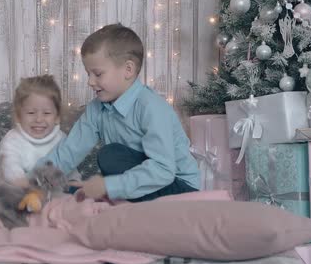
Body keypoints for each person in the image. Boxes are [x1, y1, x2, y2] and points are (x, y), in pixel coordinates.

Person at [38, 23, 200, 202]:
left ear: (128, 70)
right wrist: (34, 178)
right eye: (88, 74)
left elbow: (163, 169)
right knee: (74, 191)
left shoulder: (151, 107)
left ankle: (118, 197)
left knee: (110, 155)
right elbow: (69, 150)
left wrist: (108, 186)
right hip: (140, 178)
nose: (90, 82)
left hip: (178, 185)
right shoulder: (97, 108)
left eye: (97, 74)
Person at [0, 75, 79, 201]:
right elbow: (10, 165)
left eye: (46, 113)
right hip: (17, 186)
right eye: (31, 113)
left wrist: (74, 184)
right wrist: (25, 186)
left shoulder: (61, 139)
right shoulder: (13, 139)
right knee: (6, 200)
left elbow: (69, 166)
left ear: (57, 117)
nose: (39, 119)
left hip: (50, 190)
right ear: (19, 116)